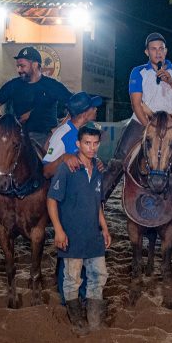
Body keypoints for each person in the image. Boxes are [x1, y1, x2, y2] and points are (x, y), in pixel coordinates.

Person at [102, 32, 172, 201]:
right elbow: (136, 105)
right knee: (118, 161)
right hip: (143, 122)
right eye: (153, 49)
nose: (158, 52)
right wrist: (148, 129)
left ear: (166, 51)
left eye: (161, 49)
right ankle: (98, 203)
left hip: (171, 126)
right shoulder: (138, 72)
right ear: (147, 52)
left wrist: (171, 83)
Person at [47, 122, 112, 333]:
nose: (91, 148)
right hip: (72, 234)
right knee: (72, 277)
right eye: (87, 143)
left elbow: (97, 204)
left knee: (99, 274)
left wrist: (105, 228)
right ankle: (76, 319)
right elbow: (51, 199)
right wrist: (58, 229)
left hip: (93, 234)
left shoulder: (98, 170)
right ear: (78, 143)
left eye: (95, 143)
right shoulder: (68, 167)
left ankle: (94, 319)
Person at [0, 46, 72, 195]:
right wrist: (5, 124)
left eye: (22, 66)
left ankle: (57, 202)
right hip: (18, 136)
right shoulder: (13, 85)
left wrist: (59, 128)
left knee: (56, 168)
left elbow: (74, 106)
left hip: (46, 137)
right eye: (18, 66)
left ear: (36, 64)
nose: (19, 70)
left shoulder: (52, 86)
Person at [42, 91, 102, 305]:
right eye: (93, 107)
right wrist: (62, 158)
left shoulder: (85, 134)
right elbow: (46, 170)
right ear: (85, 113)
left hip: (83, 203)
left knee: (80, 253)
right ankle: (69, 301)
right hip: (67, 204)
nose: (96, 109)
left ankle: (80, 297)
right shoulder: (63, 134)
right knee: (69, 253)